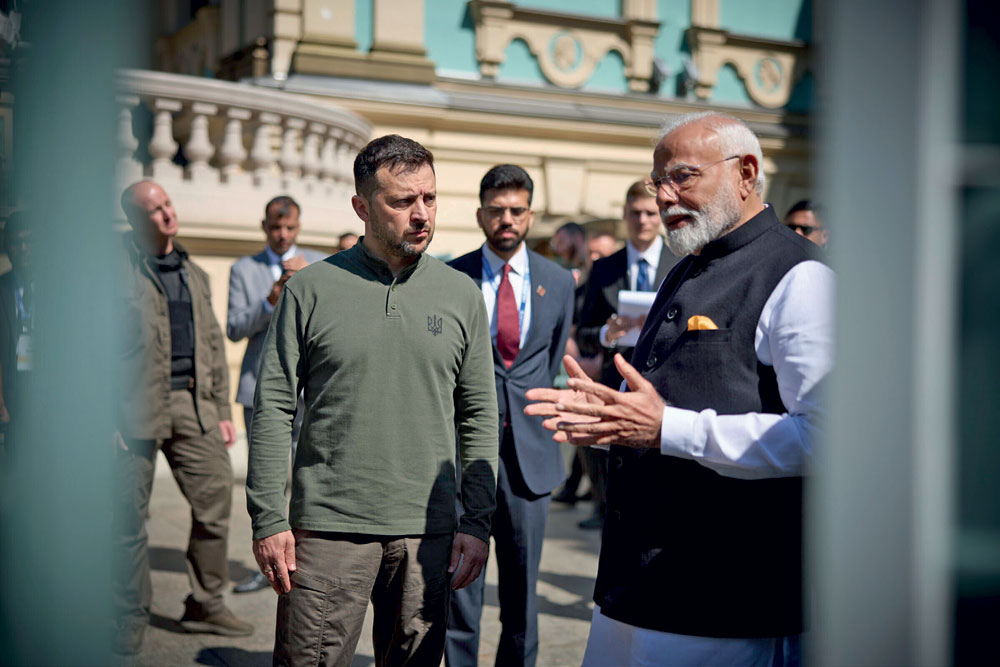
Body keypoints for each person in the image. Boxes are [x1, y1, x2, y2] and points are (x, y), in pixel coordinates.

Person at [525, 112, 834, 665]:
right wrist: (609, 419)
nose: (666, 195)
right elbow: (666, 405)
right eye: (657, 181)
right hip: (633, 587)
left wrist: (667, 428)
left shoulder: (799, 275)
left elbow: (823, 437)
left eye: (683, 176)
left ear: (746, 173)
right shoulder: (685, 267)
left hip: (721, 600)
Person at [247, 134, 499, 667]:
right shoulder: (310, 290)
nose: (421, 214)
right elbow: (272, 406)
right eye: (402, 201)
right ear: (361, 207)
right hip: (327, 531)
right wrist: (269, 517)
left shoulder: (461, 296)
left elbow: (479, 414)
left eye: (429, 198)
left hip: (426, 535)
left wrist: (476, 522)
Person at [115, 181, 253, 655]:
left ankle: (204, 601)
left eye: (167, 204)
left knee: (215, 503)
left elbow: (212, 344)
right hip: (130, 410)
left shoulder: (194, 272)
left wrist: (220, 410)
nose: (166, 214)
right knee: (125, 520)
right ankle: (130, 614)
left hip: (193, 405)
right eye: (153, 210)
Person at [445, 165, 574, 667]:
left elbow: (550, 355)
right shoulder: (450, 277)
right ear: (481, 214)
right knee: (459, 589)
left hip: (530, 459)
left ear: (530, 215)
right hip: (462, 460)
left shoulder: (559, 282)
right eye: (496, 211)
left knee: (522, 594)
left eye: (516, 211)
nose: (506, 220)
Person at [226, 195, 327, 594]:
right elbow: (234, 328)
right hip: (261, 390)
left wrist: (310, 281)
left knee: (311, 475)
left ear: (298, 227)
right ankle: (267, 561)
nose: (282, 234)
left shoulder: (320, 263)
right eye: (275, 227)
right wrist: (271, 297)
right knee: (269, 480)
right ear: (264, 226)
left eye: (289, 228)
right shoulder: (243, 269)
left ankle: (308, 558)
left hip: (314, 388)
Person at [573, 180, 679, 529]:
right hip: (614, 387)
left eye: (651, 213)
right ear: (624, 215)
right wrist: (608, 332)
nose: (644, 220)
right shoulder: (605, 268)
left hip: (667, 390)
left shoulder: (681, 262)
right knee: (614, 500)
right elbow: (584, 330)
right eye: (636, 213)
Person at [0, 214, 32, 448]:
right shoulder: (2, 288)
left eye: (29, 241)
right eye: (15, 242)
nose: (22, 248)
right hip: (12, 396)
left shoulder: (58, 290)